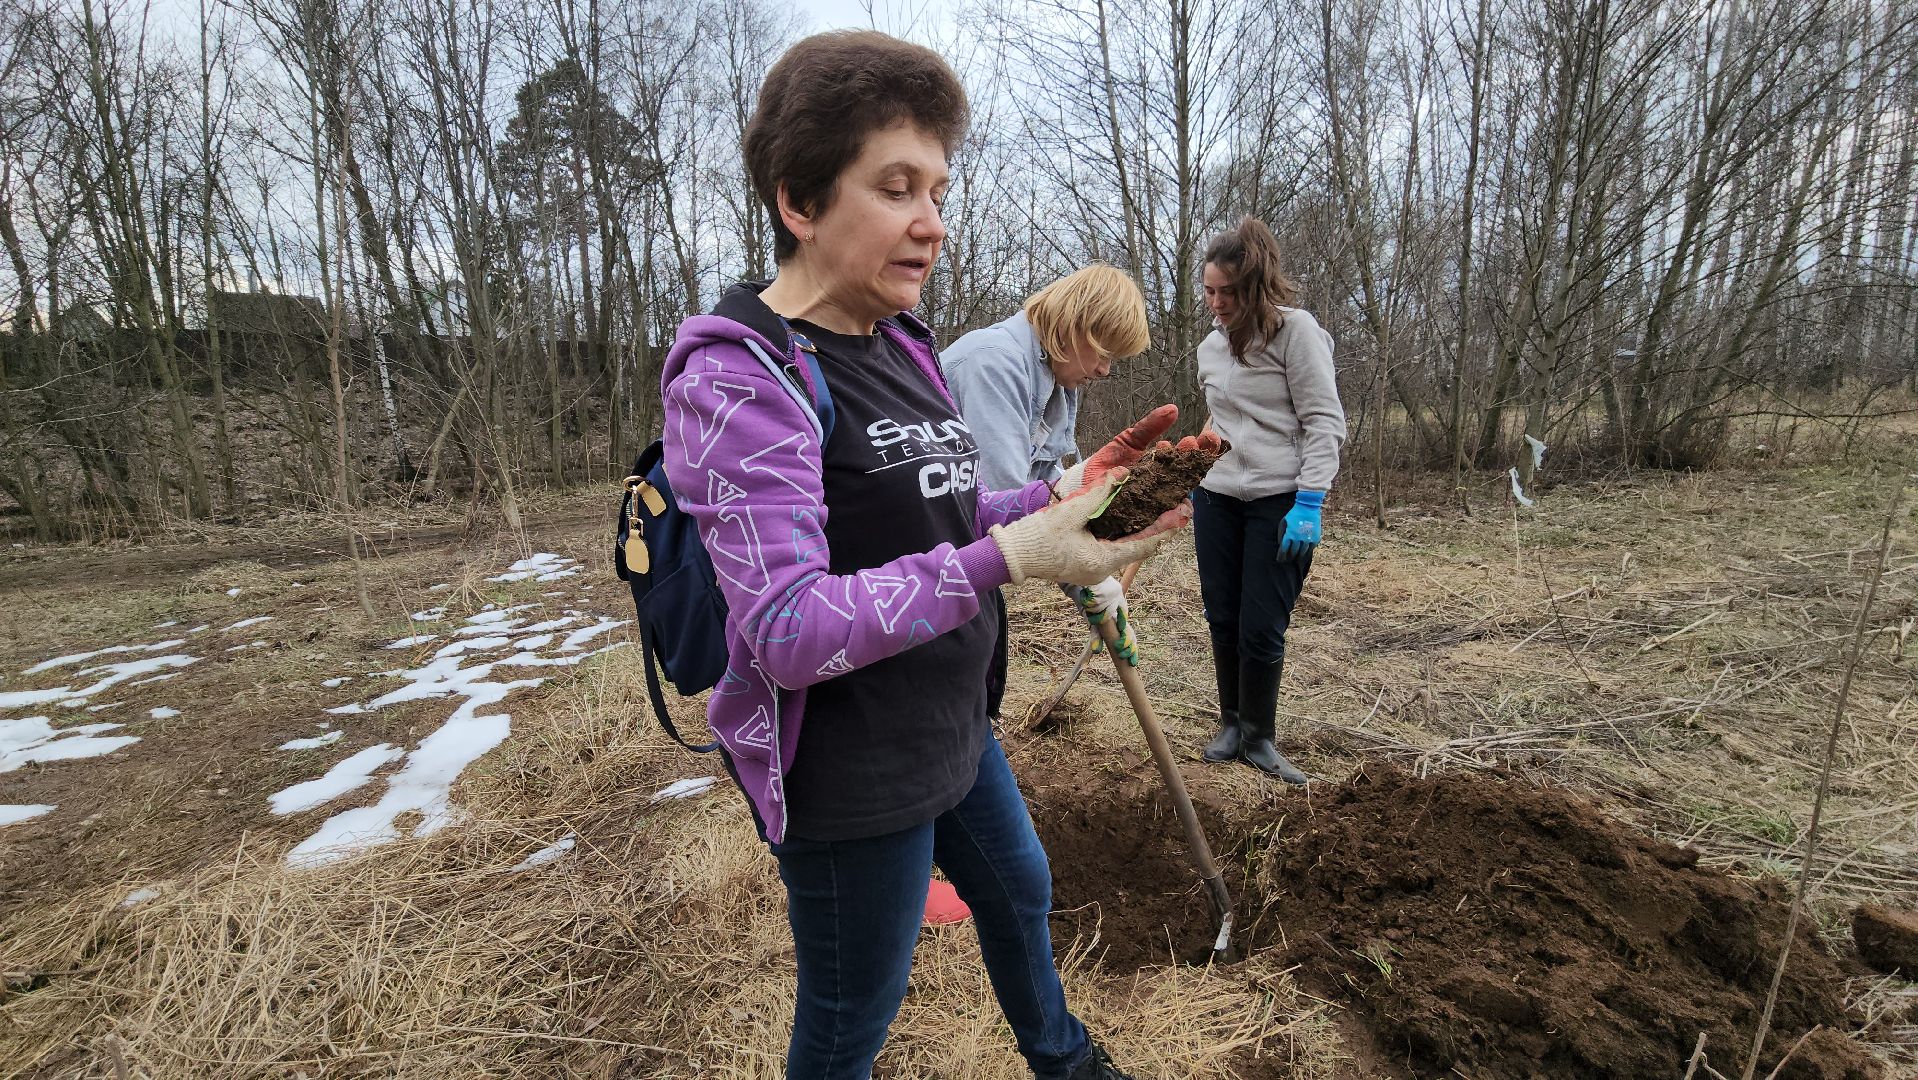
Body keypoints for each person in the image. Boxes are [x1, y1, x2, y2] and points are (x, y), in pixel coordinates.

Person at [658, 31, 1190, 1080]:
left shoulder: (900, 344)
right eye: (895, 188)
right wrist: (1010, 557)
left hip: (951, 724)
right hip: (852, 772)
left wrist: (1054, 497)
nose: (932, 223)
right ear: (800, 203)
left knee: (1019, 889)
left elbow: (943, 511)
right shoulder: (740, 377)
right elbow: (784, 629)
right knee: (853, 1019)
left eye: (937, 189)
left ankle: (1065, 1061)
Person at [940, 265, 1152, 714]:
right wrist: (1087, 580)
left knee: (976, 710)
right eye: (1103, 351)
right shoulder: (993, 365)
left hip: (967, 569)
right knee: (958, 716)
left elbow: (1049, 489)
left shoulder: (1055, 380)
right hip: (932, 569)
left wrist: (1096, 582)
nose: (1104, 369)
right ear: (1074, 324)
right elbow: (1008, 511)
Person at [1191, 216, 1347, 783]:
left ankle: (1260, 735)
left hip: (1279, 499)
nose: (1216, 303)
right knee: (1223, 614)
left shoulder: (1296, 333)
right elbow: (1221, 418)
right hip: (1217, 497)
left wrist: (1311, 500)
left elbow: (1323, 420)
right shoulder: (1211, 346)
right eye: (1209, 291)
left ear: (1255, 287)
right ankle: (1231, 722)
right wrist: (1191, 465)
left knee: (1262, 622)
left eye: (1227, 292)